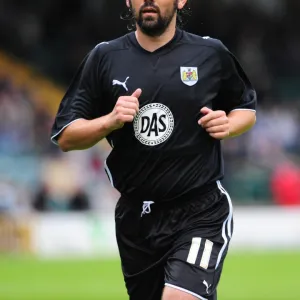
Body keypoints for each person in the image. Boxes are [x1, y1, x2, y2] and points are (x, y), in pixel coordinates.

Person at [50, 0, 257, 299]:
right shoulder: (105, 57)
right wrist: (109, 121)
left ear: (181, 1)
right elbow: (66, 136)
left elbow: (246, 109)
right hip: (137, 220)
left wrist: (229, 124)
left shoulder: (210, 53)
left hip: (199, 211)